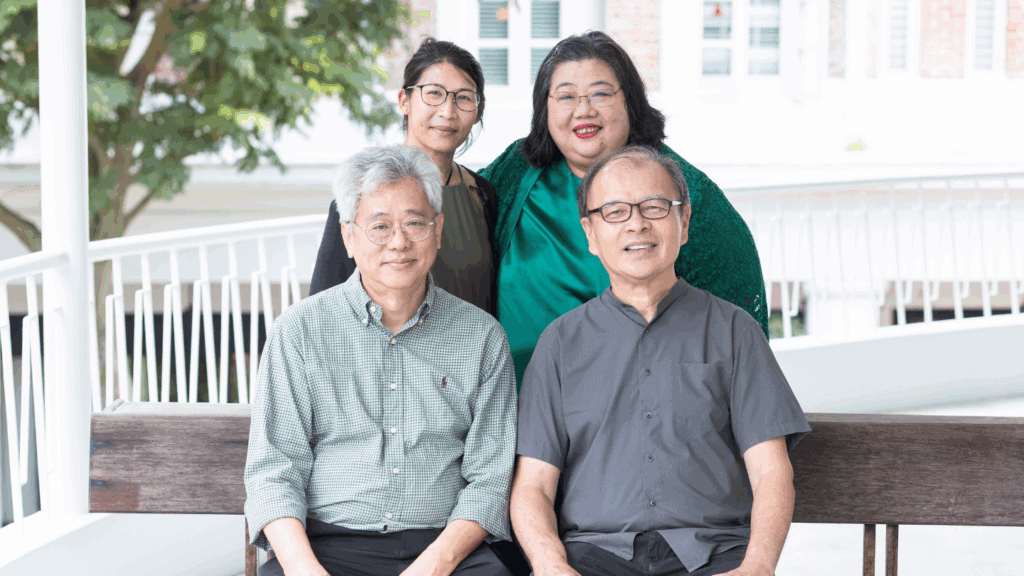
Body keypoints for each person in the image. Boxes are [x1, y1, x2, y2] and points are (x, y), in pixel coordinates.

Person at [510, 146, 810, 576]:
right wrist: (548, 563)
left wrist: (757, 567)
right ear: (591, 235)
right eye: (614, 211)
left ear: (683, 223)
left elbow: (770, 472)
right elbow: (534, 485)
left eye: (654, 207)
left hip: (715, 556)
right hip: (593, 558)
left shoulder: (734, 330)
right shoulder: (559, 343)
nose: (636, 223)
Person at [245, 145, 517, 576]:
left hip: (444, 548)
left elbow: (490, 479)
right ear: (349, 235)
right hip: (325, 545)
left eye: (414, 222)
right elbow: (273, 473)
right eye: (380, 226)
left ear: (438, 229)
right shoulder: (298, 331)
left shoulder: (481, 337)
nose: (399, 242)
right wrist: (304, 568)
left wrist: (436, 564)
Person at [480, 31, 768, 385]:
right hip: (515, 411)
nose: (583, 110)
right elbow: (445, 218)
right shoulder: (512, 174)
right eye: (566, 96)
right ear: (545, 108)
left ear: (630, 102)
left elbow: (737, 329)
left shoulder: (688, 195)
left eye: (600, 93)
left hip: (638, 416)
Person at [310, 38, 498, 314]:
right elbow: (323, 304)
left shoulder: (482, 193)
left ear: (478, 110)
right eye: (434, 93)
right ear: (404, 100)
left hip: (472, 353)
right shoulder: (365, 190)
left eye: (464, 98)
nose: (448, 112)